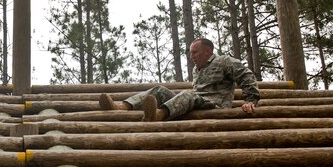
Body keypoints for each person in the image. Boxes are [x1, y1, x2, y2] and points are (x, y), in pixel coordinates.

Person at [99, 38, 260, 121]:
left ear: (208, 51)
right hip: (195, 102)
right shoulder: (196, 70)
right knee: (159, 90)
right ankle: (121, 107)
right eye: (191, 53)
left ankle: (158, 115)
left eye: (195, 52)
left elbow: (246, 75)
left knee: (187, 94)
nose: (192, 57)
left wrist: (251, 100)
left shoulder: (224, 61)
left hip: (215, 106)